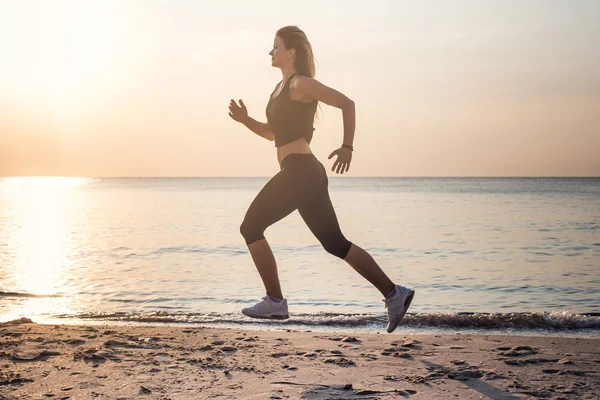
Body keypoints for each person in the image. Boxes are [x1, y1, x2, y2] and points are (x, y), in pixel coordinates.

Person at [228, 26, 414, 333]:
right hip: (303, 172)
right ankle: (395, 294)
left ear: (291, 52)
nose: (270, 52)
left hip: (301, 171)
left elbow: (347, 103)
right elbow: (274, 135)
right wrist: (246, 120)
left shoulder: (301, 83)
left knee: (250, 227)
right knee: (335, 243)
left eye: (275, 46)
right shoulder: (279, 88)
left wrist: (347, 146)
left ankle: (275, 300)